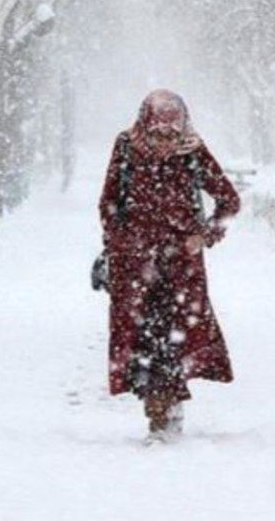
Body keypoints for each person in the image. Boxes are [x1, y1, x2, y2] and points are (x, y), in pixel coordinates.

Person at [98, 89, 240, 442]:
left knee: (173, 338)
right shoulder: (127, 147)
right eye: (159, 133)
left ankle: (165, 411)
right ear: (146, 124)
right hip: (134, 266)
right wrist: (120, 242)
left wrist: (204, 236)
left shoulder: (192, 152)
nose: (165, 142)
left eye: (172, 134)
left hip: (181, 268)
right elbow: (109, 202)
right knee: (142, 339)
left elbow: (228, 200)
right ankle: (157, 407)